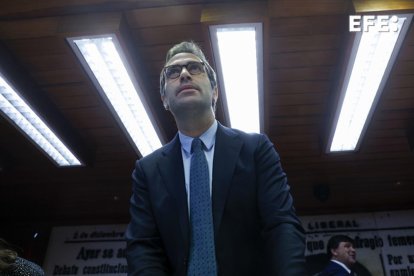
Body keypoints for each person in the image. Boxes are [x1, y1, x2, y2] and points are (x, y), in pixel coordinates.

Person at [125, 41, 306, 275]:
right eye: (172, 72)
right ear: (164, 100)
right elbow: (143, 246)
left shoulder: (256, 149)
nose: (184, 74)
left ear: (215, 91)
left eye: (194, 68)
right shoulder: (147, 171)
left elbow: (282, 226)